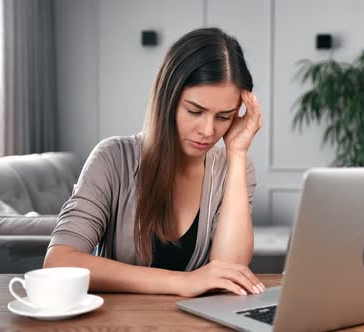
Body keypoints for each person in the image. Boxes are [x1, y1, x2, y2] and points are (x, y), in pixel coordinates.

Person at [44, 27, 264, 297]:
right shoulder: (113, 159)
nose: (208, 131)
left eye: (224, 116)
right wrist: (182, 282)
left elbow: (231, 271)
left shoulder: (232, 168)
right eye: (195, 111)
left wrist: (238, 153)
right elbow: (58, 262)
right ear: (166, 100)